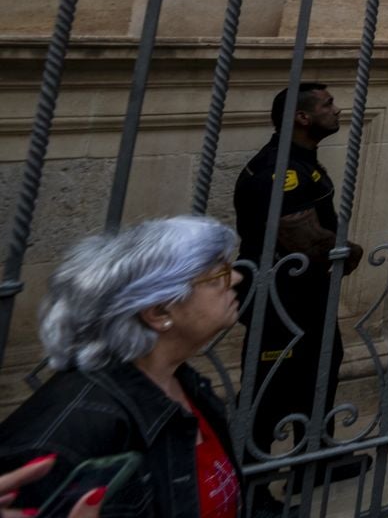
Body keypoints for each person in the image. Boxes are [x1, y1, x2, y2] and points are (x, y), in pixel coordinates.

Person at [0, 216, 242, 518]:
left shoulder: (184, 384)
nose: (235, 279)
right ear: (159, 311)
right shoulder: (70, 430)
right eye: (216, 274)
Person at [232, 81, 362, 464]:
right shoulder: (279, 170)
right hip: (278, 296)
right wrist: (349, 252)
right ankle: (249, 478)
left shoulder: (302, 161)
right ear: (302, 117)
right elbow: (300, 238)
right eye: (327, 104)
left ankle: (316, 456)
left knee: (321, 366)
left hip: (305, 291)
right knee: (268, 386)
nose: (336, 109)